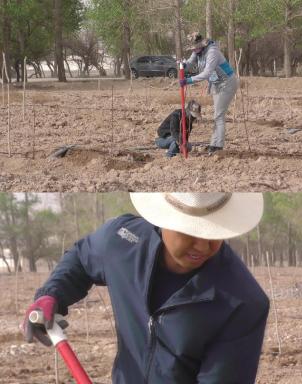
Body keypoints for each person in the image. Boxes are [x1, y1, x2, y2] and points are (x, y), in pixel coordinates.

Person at [22, 192, 269, 383]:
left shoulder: (242, 302)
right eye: (190, 231)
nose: (203, 247)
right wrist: (51, 294)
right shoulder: (123, 241)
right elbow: (81, 258)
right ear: (163, 220)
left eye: (214, 232)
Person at [179, 32, 239, 154]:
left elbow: (207, 73)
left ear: (201, 44)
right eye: (192, 48)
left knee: (219, 115)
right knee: (217, 115)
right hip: (217, 84)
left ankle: (218, 146)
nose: (194, 50)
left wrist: (188, 80)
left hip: (227, 83)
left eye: (195, 47)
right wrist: (183, 65)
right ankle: (214, 144)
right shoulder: (197, 51)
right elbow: (190, 63)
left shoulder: (212, 52)